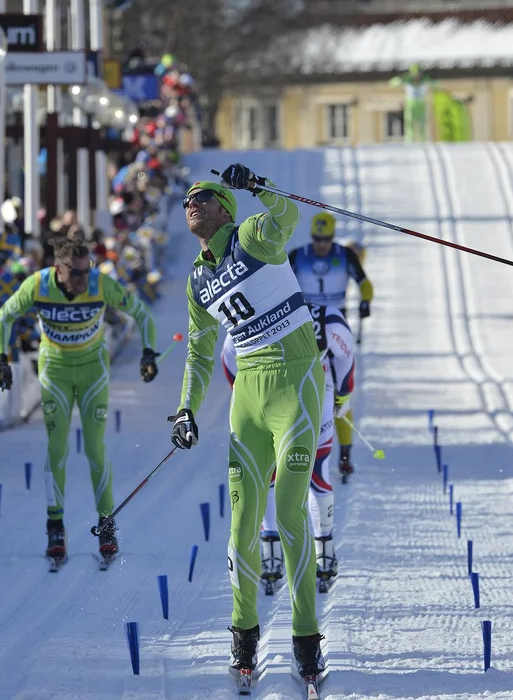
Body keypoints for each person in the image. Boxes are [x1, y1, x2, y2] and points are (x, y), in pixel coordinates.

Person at [169, 166, 326, 681]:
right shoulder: (197, 279)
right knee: (240, 526)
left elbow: (288, 214)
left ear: (225, 209)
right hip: (249, 397)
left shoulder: (251, 235)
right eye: (187, 198)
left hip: (295, 382)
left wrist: (256, 185)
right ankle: (244, 639)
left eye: (204, 196)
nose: (192, 202)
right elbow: (198, 353)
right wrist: (187, 409)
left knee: (288, 513)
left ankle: (306, 640)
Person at [0, 238, 159, 563]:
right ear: (59, 268)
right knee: (57, 447)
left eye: (87, 271)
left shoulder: (100, 284)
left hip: (92, 369)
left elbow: (143, 314)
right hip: (55, 368)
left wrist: (148, 354)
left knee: (95, 447)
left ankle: (106, 523)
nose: (83, 280)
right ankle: (55, 525)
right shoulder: (38, 284)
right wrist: (1, 359)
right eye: (76, 273)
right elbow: (3, 317)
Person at [221, 299, 355, 589]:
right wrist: (343, 393)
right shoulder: (324, 315)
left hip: (282, 392)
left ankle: (292, 551)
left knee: (291, 469)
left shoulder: (258, 310)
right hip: (310, 391)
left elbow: (229, 358)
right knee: (304, 469)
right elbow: (345, 355)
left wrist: (243, 391)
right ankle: (312, 550)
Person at [289, 212, 373, 478]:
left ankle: (345, 454)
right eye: (317, 238)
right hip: (305, 326)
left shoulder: (345, 255)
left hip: (337, 325)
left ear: (332, 237)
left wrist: (365, 302)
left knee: (341, 391)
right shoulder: (298, 256)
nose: (321, 244)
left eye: (325, 239)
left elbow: (365, 283)